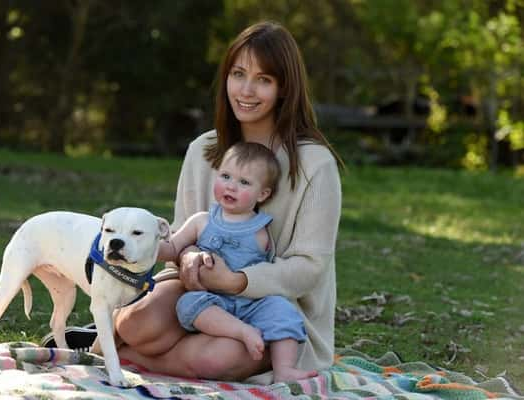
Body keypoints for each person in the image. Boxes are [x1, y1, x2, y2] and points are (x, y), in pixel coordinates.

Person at [45, 20, 342, 384]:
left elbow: (309, 267)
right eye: (238, 74)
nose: (246, 90)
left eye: (263, 79)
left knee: (223, 357)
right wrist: (187, 258)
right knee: (141, 322)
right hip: (197, 291)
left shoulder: (315, 165)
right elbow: (183, 236)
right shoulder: (203, 151)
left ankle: (120, 352)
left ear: (284, 88)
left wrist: (237, 281)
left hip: (273, 307)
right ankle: (121, 335)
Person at [157, 141, 316, 382]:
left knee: (283, 310)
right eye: (226, 176)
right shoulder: (201, 221)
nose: (231, 186)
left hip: (251, 302)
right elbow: (172, 249)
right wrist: (149, 247)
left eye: (244, 182)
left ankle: (284, 368)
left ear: (262, 194)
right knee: (188, 303)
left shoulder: (261, 230)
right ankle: (241, 331)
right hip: (212, 300)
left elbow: (268, 269)